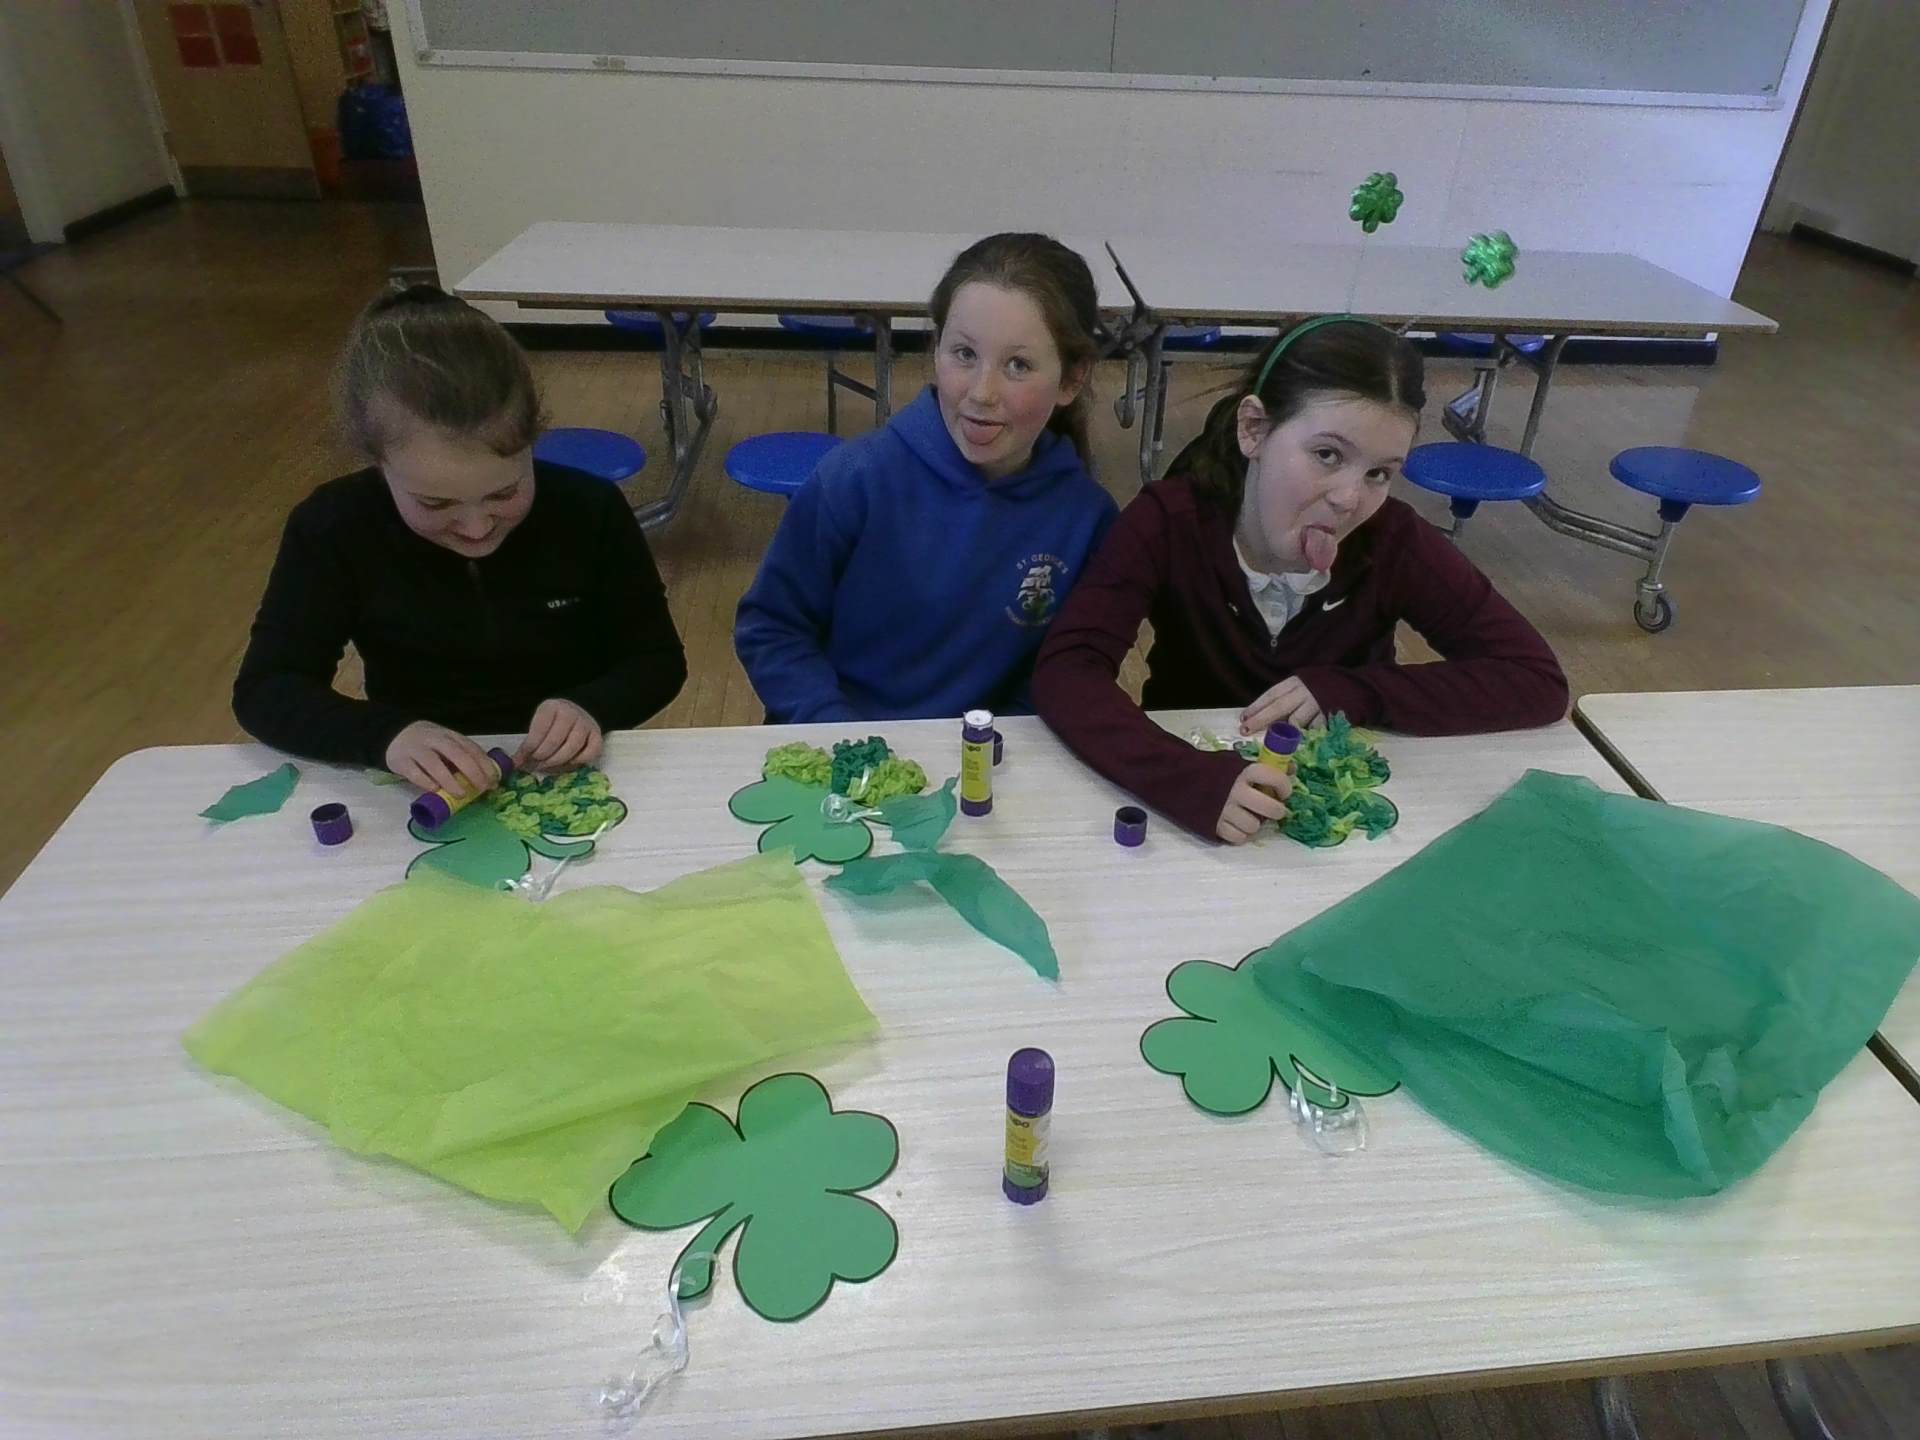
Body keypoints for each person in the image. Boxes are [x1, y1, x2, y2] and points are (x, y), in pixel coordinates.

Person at [1033, 315, 1568, 844]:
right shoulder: (1168, 522)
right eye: (1327, 455)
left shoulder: (1393, 541)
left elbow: (1536, 680)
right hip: (1195, 814)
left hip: (1338, 812)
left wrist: (1357, 690)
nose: (1349, 499)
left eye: (1379, 473)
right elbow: (1068, 671)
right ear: (1254, 429)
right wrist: (1185, 777)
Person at [233, 286, 685, 797]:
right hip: (417, 779)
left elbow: (656, 658)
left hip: (570, 768)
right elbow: (268, 687)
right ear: (378, 462)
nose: (476, 528)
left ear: (532, 441)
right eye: (435, 503)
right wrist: (386, 736)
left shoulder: (589, 508)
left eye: (504, 492)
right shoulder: (333, 526)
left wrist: (595, 706)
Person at [734, 233, 1118, 722]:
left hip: (982, 754)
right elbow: (772, 626)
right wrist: (840, 734)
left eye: (1018, 365)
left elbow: (1057, 672)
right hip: (838, 747)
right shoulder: (855, 479)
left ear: (1072, 379)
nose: (982, 392)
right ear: (936, 348)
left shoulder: (1087, 518)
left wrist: (990, 744)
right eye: (964, 354)